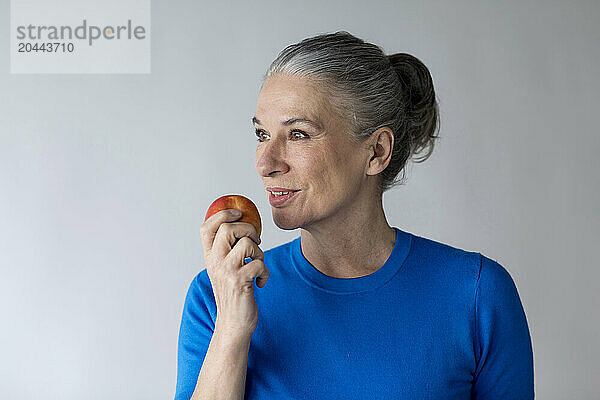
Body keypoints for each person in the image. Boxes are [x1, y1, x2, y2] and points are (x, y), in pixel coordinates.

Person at [174, 31, 534, 400]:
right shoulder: (216, 297)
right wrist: (232, 329)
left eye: (298, 134)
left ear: (377, 151)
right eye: (262, 134)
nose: (265, 163)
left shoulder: (477, 294)